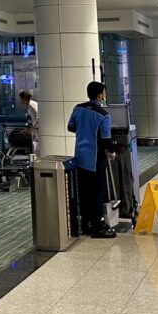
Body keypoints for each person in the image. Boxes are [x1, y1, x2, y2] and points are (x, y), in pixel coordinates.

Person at [67, 81, 116, 239]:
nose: (105, 94)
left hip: (80, 158)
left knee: (84, 192)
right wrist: (112, 152)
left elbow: (71, 127)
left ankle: (86, 224)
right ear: (99, 95)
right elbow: (106, 139)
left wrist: (84, 131)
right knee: (97, 193)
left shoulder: (78, 108)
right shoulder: (103, 115)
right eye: (104, 92)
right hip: (95, 160)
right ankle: (97, 227)